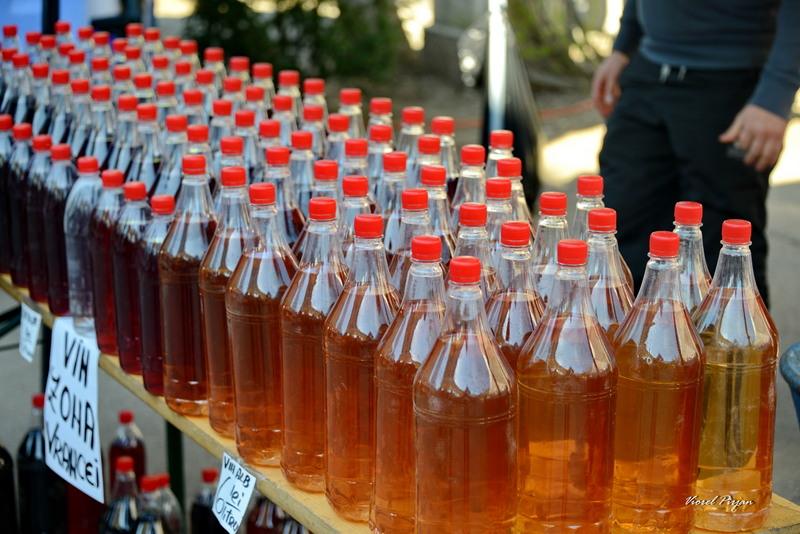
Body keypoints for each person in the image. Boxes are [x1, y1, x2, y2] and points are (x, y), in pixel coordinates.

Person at [592, 0, 800, 305]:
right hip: (648, 70)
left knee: (724, 246)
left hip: (731, 79)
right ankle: (640, 333)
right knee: (620, 228)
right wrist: (623, 47)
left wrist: (775, 95)